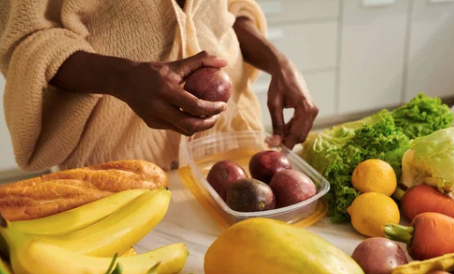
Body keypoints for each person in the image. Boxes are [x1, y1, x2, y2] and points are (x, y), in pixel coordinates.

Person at [0, 0, 318, 171]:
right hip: (115, 164)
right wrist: (123, 78)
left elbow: (229, 10)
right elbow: (25, 39)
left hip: (227, 149)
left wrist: (279, 62)